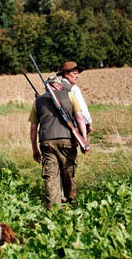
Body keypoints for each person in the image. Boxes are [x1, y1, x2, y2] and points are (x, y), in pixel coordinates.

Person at [28, 76, 87, 209]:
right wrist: (84, 139)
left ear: (47, 87)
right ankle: (70, 201)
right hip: (67, 140)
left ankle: (53, 208)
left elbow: (33, 128)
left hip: (46, 141)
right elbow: (80, 118)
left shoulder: (38, 101)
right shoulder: (70, 96)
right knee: (68, 171)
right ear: (60, 86)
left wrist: (34, 149)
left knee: (50, 176)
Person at [57, 61, 93, 134]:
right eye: (75, 73)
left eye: (77, 74)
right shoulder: (73, 89)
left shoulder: (53, 88)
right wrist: (88, 122)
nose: (77, 76)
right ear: (66, 74)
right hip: (71, 128)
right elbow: (82, 108)